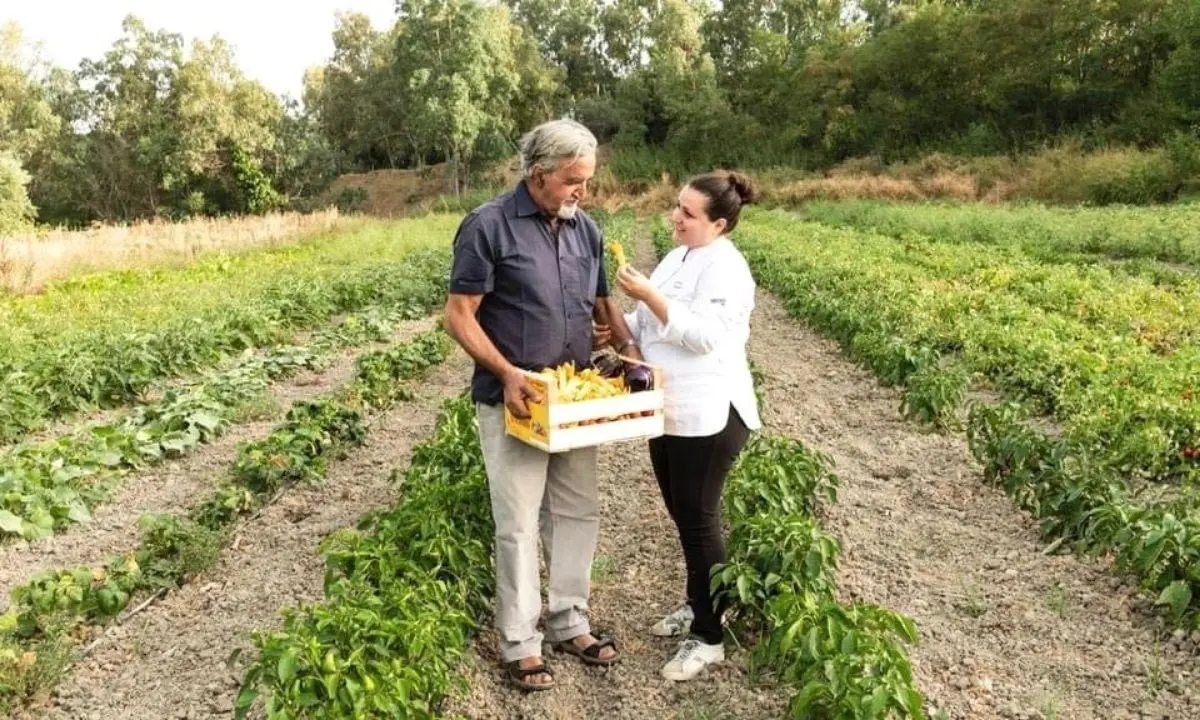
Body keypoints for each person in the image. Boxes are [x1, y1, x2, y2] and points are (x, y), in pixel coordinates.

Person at [442, 118, 641, 692]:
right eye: (573, 181)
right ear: (539, 174)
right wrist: (506, 372)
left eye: (587, 180)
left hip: (573, 397)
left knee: (579, 510)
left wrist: (626, 349)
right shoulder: (488, 227)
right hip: (517, 400)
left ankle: (569, 619)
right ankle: (520, 640)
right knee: (519, 523)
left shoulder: (587, 230)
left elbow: (603, 302)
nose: (583, 191)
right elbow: (459, 315)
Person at [613, 170, 762, 681]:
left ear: (718, 224)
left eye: (688, 213)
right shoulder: (679, 257)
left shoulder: (728, 269)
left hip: (710, 412)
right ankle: (700, 602)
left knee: (700, 521)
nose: (675, 217)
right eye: (676, 206)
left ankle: (710, 636)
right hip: (668, 408)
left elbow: (702, 336)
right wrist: (617, 320)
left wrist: (649, 296)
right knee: (684, 517)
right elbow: (647, 323)